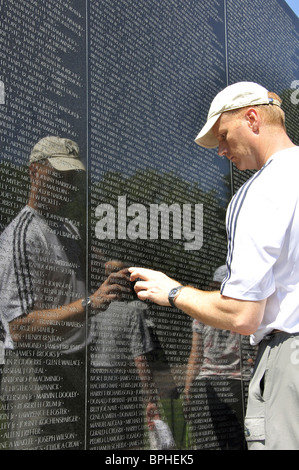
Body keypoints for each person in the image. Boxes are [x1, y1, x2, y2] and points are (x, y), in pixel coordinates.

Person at [129, 81, 299, 450]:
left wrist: (172, 291)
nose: (220, 150)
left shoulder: (259, 192)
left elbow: (242, 315)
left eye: (223, 136)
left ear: (252, 118)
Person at [0, 136, 129, 449]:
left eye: (70, 178)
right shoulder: (23, 234)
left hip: (76, 365)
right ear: (34, 172)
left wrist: (117, 271)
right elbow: (20, 328)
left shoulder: (68, 229)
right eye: (58, 175)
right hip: (37, 371)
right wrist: (90, 302)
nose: (66, 185)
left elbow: (96, 265)